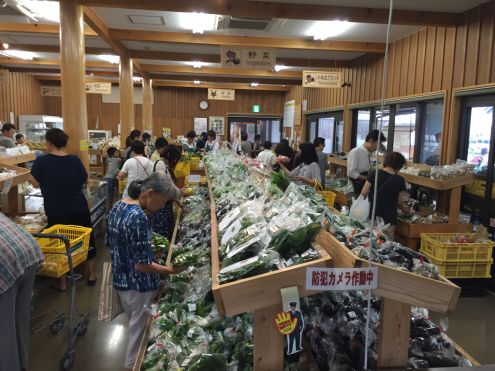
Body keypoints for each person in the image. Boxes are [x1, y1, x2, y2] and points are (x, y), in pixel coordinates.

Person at [105, 173, 187, 370]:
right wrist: (171, 270)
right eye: (162, 201)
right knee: (139, 338)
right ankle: (132, 366)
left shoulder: (118, 205)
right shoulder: (139, 217)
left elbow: (113, 243)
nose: (162, 207)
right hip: (140, 285)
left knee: (134, 326)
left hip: (121, 282)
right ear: (149, 193)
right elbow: (142, 265)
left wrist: (147, 248)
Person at [30, 128, 97, 290]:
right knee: (87, 241)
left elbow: (34, 183)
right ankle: (92, 275)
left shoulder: (41, 162)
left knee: (59, 245)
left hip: (56, 209)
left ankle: (62, 283)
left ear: (49, 143)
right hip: (79, 207)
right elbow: (86, 179)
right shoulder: (74, 160)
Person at [0, 214, 45, 371]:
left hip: (5, 263)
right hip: (27, 249)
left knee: (4, 329)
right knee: (19, 319)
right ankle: (21, 365)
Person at [360, 152, 410, 241]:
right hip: (389, 218)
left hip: (373, 214)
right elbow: (399, 202)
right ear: (399, 166)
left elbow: (363, 192)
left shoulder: (374, 173)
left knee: (370, 240)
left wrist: (373, 192)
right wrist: (403, 209)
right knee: (386, 244)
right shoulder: (400, 180)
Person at [151, 145, 190, 241]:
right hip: (160, 209)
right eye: (175, 158)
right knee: (161, 239)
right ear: (169, 155)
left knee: (167, 237)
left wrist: (180, 203)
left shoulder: (163, 165)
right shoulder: (160, 165)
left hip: (165, 207)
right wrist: (178, 193)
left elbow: (169, 187)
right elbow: (163, 188)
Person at [346, 129, 387, 207]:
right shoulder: (356, 152)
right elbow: (350, 173)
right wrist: (368, 178)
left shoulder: (368, 154)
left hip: (363, 190)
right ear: (371, 141)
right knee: (355, 217)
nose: (378, 147)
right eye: (379, 144)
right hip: (354, 192)